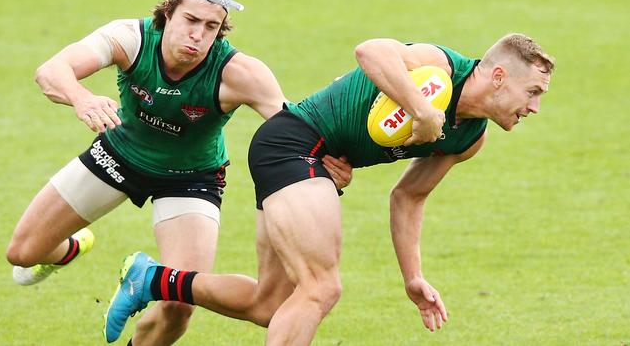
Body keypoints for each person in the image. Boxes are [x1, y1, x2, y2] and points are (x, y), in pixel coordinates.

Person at [103, 33, 555, 345]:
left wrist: (412, 276)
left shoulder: (469, 138)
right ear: (498, 77)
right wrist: (420, 110)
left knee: (270, 304)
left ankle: (150, 279)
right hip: (292, 143)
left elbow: (408, 196)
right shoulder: (439, 67)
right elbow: (371, 51)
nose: (534, 106)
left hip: (313, 164)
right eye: (532, 91)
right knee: (321, 288)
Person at [5, 0, 352, 345]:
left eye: (211, 27)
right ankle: (70, 248)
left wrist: (326, 169)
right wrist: (81, 98)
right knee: (23, 253)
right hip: (119, 154)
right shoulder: (130, 38)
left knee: (178, 304)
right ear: (167, 11)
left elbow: (295, 130)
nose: (198, 35)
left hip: (191, 179)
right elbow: (51, 71)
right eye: (191, 19)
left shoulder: (239, 73)